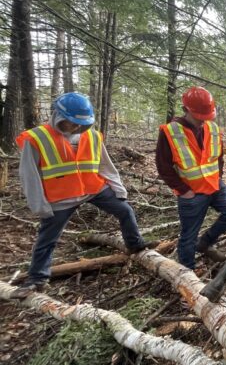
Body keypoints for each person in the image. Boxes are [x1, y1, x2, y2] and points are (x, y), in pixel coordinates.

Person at [13, 93, 146, 298]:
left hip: (93, 189)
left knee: (125, 211)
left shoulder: (92, 135)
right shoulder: (37, 138)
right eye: (71, 123)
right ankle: (36, 279)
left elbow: (105, 165)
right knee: (47, 238)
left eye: (80, 124)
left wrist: (118, 188)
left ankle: (135, 245)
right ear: (57, 116)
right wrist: (39, 205)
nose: (75, 128)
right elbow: (29, 175)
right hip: (61, 197)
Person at [156, 86, 226, 270]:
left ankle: (205, 243)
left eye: (206, 117)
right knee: (188, 236)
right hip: (191, 193)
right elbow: (163, 166)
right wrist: (184, 191)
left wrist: (218, 177)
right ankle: (187, 273)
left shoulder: (212, 127)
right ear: (186, 110)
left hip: (214, 185)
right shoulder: (170, 132)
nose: (203, 121)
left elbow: (219, 157)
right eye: (199, 117)